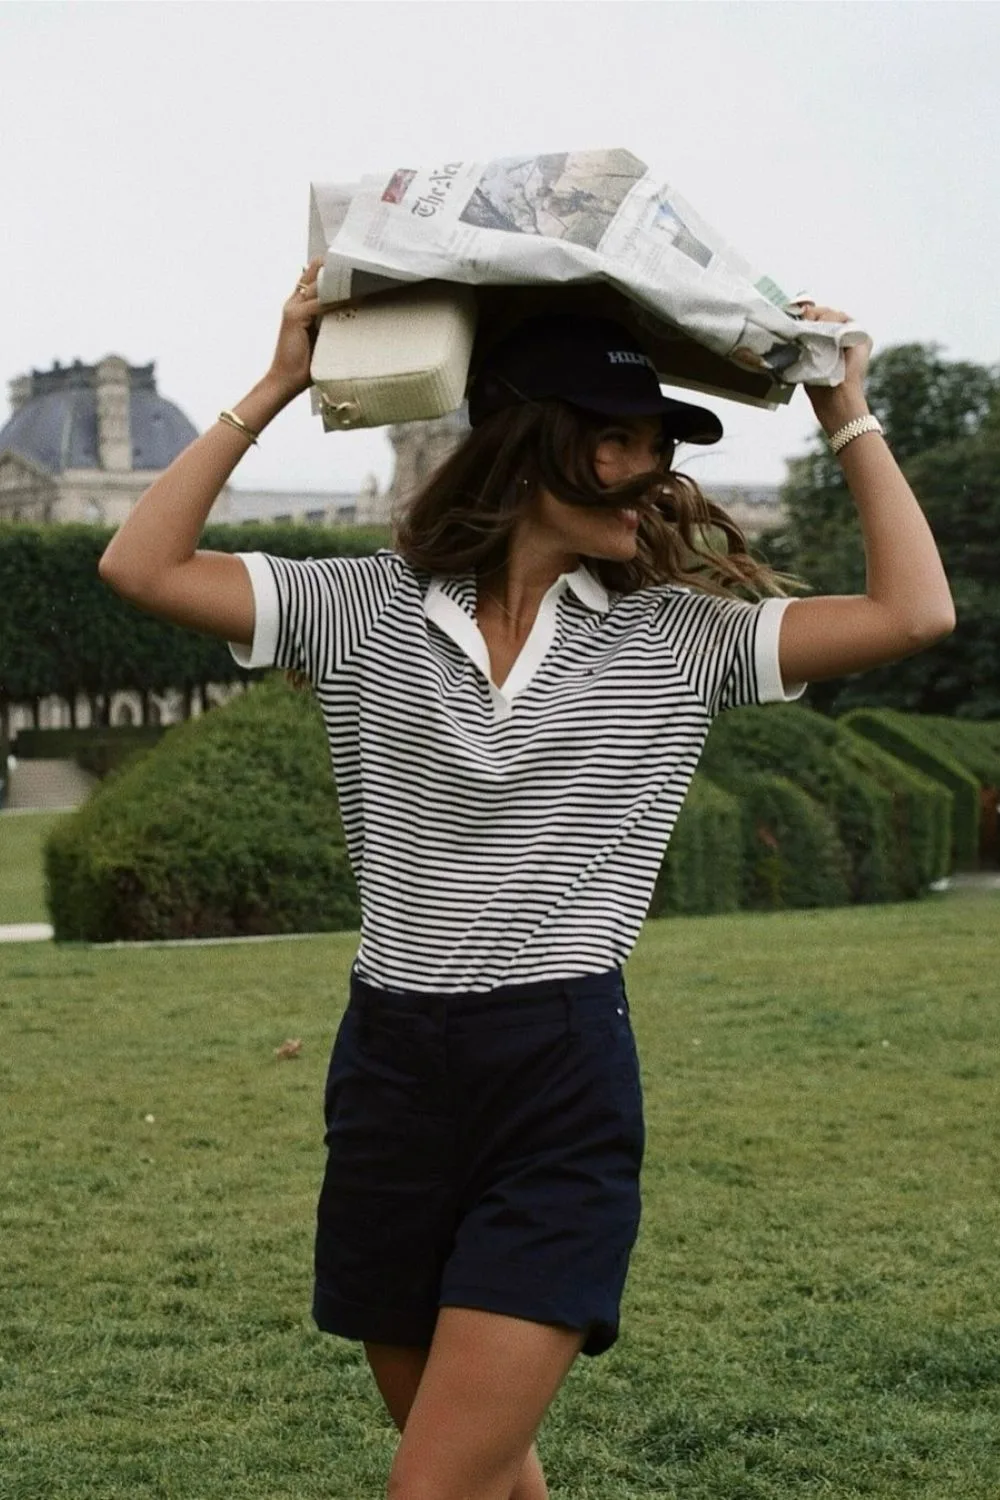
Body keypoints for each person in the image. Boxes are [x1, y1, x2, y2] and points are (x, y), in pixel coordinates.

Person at [99, 260, 955, 1500]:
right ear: (528, 448)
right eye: (617, 441)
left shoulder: (679, 636)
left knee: (430, 1486)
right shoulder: (364, 607)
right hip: (391, 1073)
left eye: (656, 442)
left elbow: (914, 612)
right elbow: (138, 566)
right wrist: (283, 379)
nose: (651, 467)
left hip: (558, 1070)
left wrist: (849, 416)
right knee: (485, 1473)